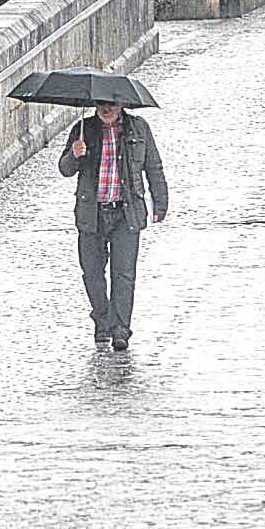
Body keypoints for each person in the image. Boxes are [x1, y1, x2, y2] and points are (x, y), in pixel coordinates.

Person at [60, 97, 168, 352]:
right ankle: (102, 322)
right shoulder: (83, 130)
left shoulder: (138, 129)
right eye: (101, 105)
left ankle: (120, 330)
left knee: (123, 275)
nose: (106, 110)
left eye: (111, 105)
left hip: (125, 213)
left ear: (122, 106)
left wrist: (160, 203)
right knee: (93, 274)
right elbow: (64, 169)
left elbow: (153, 166)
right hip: (91, 214)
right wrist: (74, 155)